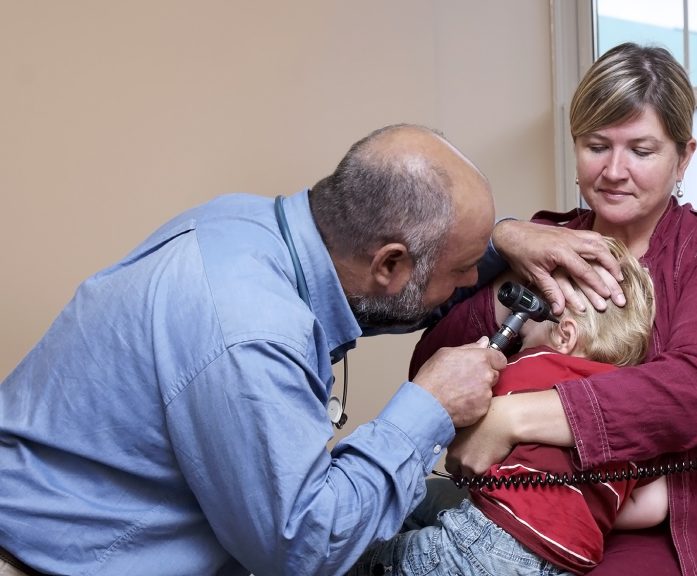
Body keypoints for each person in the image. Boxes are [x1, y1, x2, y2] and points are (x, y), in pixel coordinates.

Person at [0, 124, 624, 576]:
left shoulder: (248, 226)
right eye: (464, 269)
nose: (473, 285)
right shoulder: (252, 332)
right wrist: (427, 406)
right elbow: (301, 549)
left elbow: (382, 298)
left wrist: (506, 239)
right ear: (390, 263)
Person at [407, 43, 697, 575]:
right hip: (523, 518)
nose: (614, 171)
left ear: (684, 156)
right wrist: (510, 260)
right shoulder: (544, 241)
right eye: (596, 146)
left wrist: (511, 417)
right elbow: (430, 368)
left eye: (642, 149)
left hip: (680, 528)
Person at [349, 237, 666, 576]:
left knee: (362, 561)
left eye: (533, 318)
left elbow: (464, 434)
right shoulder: (629, 407)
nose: (520, 331)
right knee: (429, 496)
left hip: (488, 542)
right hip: (564, 564)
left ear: (564, 335)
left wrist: (478, 364)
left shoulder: (536, 364)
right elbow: (654, 505)